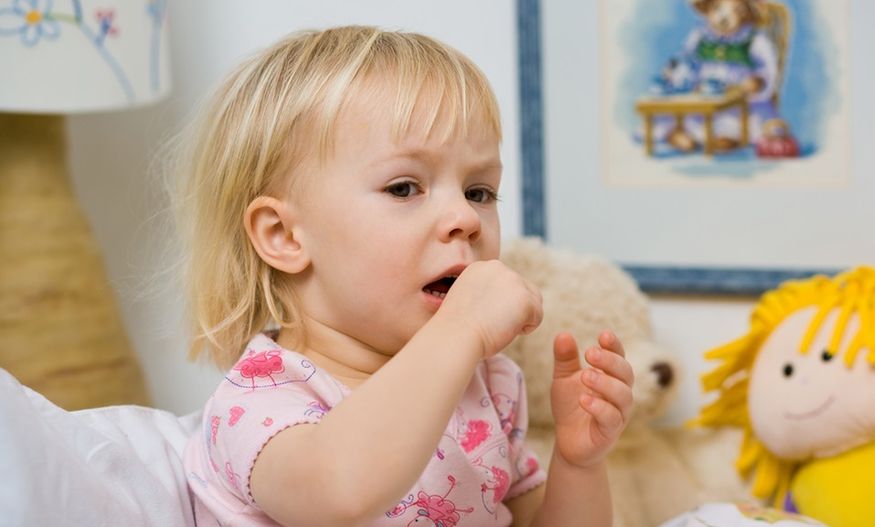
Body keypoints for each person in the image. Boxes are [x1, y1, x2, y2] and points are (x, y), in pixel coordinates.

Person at [175, 26, 634, 526]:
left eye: (479, 192)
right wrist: (462, 328)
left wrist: (578, 464)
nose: (466, 217)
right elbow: (339, 494)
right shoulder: (258, 398)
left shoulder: (490, 383)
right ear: (284, 235)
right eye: (403, 188)